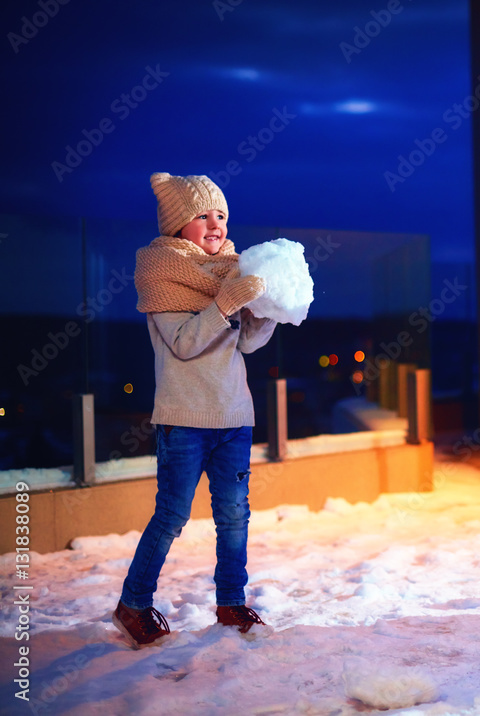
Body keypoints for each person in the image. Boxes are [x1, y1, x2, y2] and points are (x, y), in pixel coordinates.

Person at [113, 172, 277, 648]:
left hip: (234, 417)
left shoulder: (231, 271)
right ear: (177, 226)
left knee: (234, 516)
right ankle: (134, 602)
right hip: (184, 419)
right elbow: (184, 344)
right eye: (201, 216)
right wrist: (226, 303)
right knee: (171, 516)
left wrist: (262, 311)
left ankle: (230, 602)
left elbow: (246, 343)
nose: (214, 224)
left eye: (221, 215)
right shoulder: (161, 276)